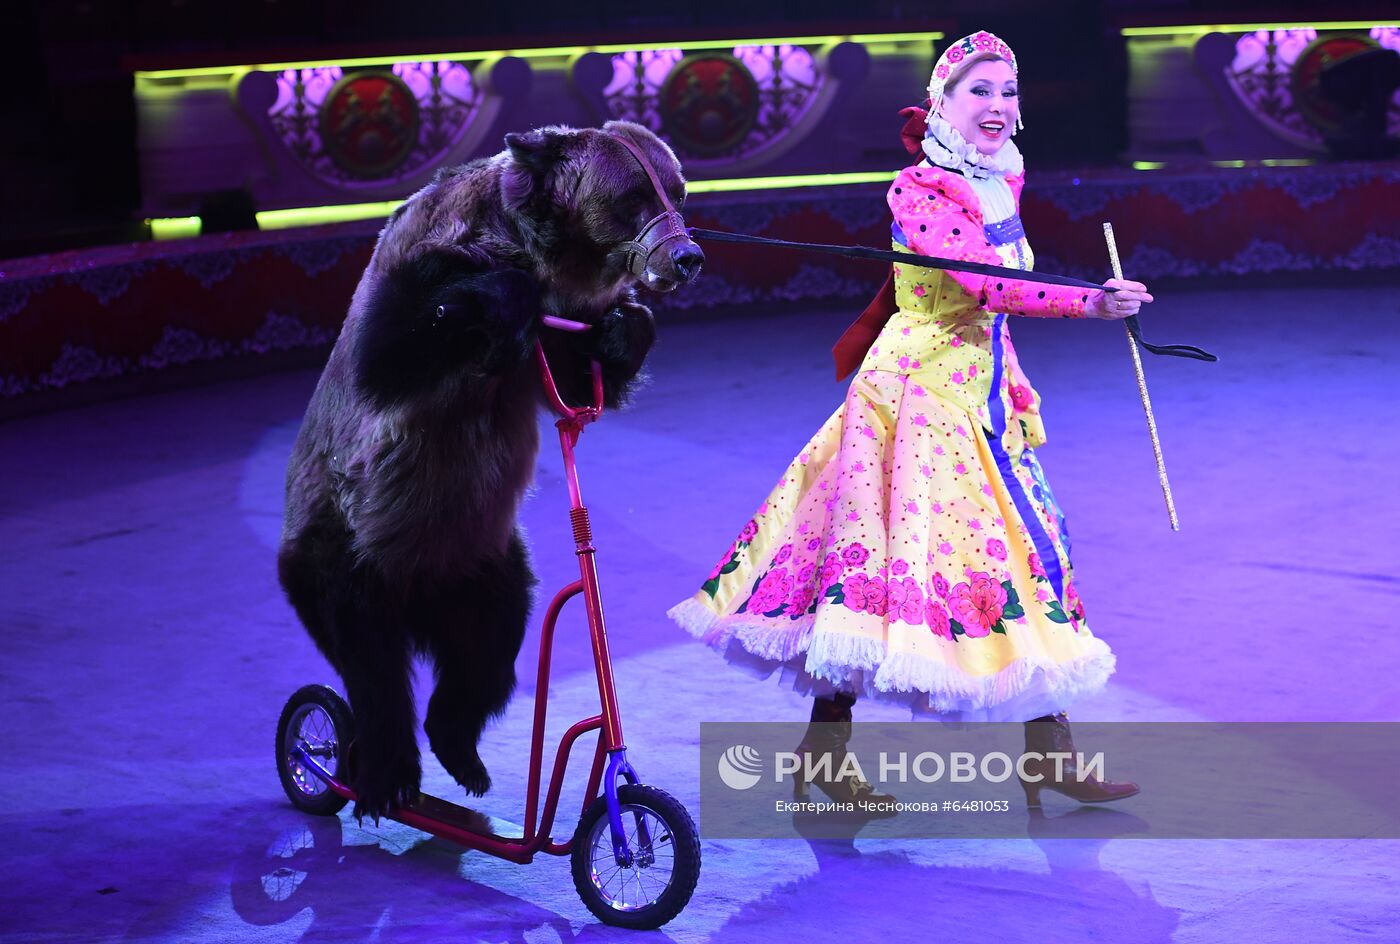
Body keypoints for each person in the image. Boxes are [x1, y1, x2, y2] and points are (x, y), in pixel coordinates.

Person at [668, 31, 1145, 808]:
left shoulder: (1001, 176)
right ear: (941, 104)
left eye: (1008, 92)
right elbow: (985, 286)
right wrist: (1090, 302)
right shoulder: (920, 191)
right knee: (882, 573)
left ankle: (1048, 749)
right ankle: (827, 757)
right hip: (915, 402)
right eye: (978, 91)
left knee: (1028, 556)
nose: (997, 107)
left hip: (981, 395)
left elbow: (990, 309)